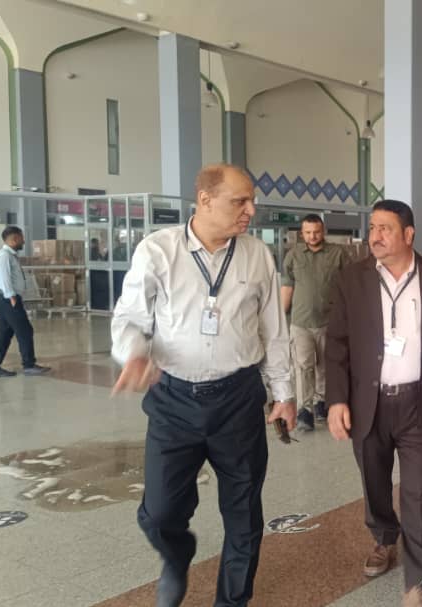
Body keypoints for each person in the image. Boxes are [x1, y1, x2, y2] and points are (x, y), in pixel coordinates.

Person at [110, 163, 296, 607]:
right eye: (240, 201)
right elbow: (130, 318)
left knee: (243, 515)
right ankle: (177, 557)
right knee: (160, 513)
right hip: (174, 400)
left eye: (252, 201)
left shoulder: (256, 254)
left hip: (238, 400)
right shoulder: (159, 250)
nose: (250, 210)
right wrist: (134, 352)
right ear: (205, 200)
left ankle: (232, 601)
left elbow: (273, 329)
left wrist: (284, 393)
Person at [325, 199, 422, 607]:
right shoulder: (352, 278)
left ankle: (418, 585)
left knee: (420, 492)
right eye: (372, 228)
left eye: (385, 228)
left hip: (421, 401)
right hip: (368, 402)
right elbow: (337, 343)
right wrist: (337, 400)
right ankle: (384, 537)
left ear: (408, 234)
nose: (376, 236)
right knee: (374, 481)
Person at [281, 214, 349, 431]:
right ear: (302, 234)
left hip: (330, 321)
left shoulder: (338, 254)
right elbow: (287, 287)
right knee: (303, 366)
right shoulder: (293, 256)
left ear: (323, 231)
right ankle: (305, 410)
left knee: (325, 365)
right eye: (308, 232)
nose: (312, 236)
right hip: (300, 322)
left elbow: (349, 287)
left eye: (316, 232)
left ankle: (321, 402)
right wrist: (280, 318)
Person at [0, 226, 50, 378]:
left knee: (5, 333)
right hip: (7, 299)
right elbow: (4, 278)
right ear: (14, 239)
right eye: (21, 238)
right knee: (25, 330)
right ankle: (29, 365)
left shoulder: (9, 255)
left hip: (5, 298)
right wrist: (12, 297)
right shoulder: (4, 256)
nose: (23, 241)